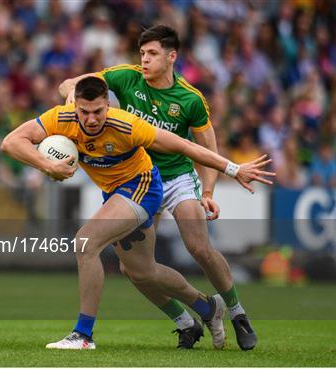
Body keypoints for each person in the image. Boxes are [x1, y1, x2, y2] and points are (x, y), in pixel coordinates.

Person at [1, 76, 274, 350]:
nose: (92, 119)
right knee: (142, 272)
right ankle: (206, 307)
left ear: (107, 105)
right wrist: (45, 164)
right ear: (75, 108)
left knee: (86, 242)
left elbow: (185, 146)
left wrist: (234, 169)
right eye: (84, 112)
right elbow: (11, 142)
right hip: (115, 193)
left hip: (142, 186)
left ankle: (83, 335)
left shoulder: (126, 125)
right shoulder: (61, 118)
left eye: (98, 111)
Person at [59, 25, 258, 350]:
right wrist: (71, 94)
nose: (145, 60)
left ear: (172, 56)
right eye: (142, 54)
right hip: (135, 178)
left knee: (198, 247)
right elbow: (74, 84)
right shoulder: (126, 77)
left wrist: (208, 192)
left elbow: (207, 148)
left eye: (152, 54)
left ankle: (237, 313)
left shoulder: (190, 99)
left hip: (176, 177)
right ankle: (189, 318)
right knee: (134, 269)